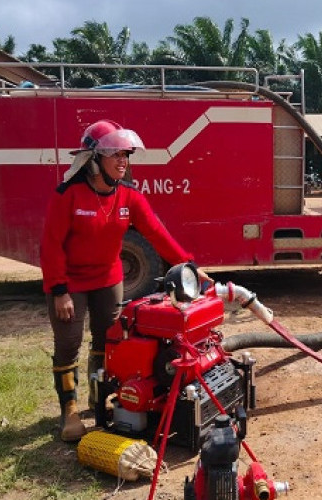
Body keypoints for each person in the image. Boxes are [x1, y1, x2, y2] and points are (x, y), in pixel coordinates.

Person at [40, 119, 211, 442]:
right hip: (70, 283)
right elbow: (50, 247)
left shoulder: (128, 197)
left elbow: (157, 233)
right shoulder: (68, 195)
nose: (123, 161)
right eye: (115, 154)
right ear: (93, 159)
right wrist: (59, 291)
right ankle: (70, 410)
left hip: (108, 278)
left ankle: (97, 395)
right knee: (68, 344)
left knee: (108, 342)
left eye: (126, 154)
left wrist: (189, 265)